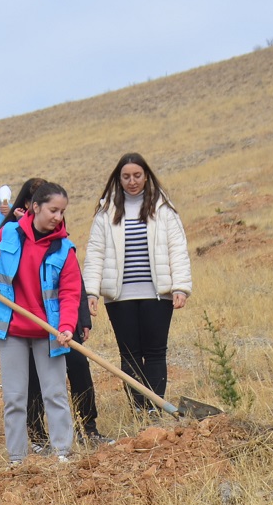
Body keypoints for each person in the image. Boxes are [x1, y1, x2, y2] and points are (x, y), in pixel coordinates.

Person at [0, 182, 84, 465]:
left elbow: (70, 293)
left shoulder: (64, 250)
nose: (58, 216)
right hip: (12, 329)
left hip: (49, 332)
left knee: (54, 394)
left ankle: (63, 454)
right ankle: (16, 458)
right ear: (35, 207)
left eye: (62, 211)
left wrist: (67, 326)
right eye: (53, 210)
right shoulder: (8, 233)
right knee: (15, 397)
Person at [83, 153, 193, 410]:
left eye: (137, 175)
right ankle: (140, 410)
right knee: (129, 356)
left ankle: (155, 411)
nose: (132, 181)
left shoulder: (164, 209)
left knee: (155, 353)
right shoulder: (105, 212)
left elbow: (178, 249)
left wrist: (181, 287)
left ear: (146, 176)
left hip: (158, 295)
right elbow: (95, 253)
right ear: (118, 179)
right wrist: (90, 292)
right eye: (126, 176)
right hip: (119, 297)